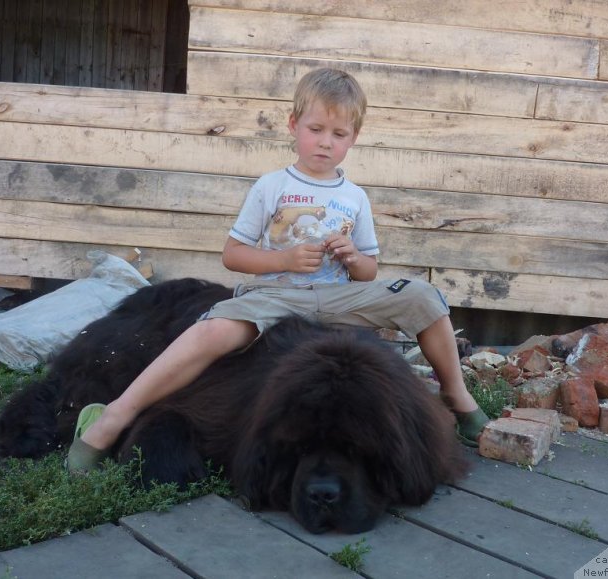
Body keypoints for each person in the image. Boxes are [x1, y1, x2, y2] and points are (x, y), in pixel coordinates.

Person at [67, 68, 488, 472]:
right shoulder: (272, 186)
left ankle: (456, 393)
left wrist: (353, 257)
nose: (325, 143)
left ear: (353, 139)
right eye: (315, 129)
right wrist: (282, 260)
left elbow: (368, 273)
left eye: (339, 134)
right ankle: (115, 416)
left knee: (423, 296)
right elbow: (233, 255)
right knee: (212, 330)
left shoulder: (355, 197)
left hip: (339, 299)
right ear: (293, 125)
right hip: (274, 296)